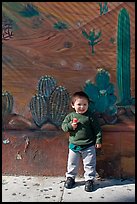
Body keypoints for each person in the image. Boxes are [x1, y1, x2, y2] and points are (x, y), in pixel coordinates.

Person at [61, 91, 102, 192]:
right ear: (73, 105)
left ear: (88, 105)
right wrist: (71, 126)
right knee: (72, 163)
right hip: (74, 146)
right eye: (79, 104)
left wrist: (98, 140)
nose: (82, 107)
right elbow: (64, 127)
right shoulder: (70, 116)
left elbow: (97, 129)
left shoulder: (90, 117)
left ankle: (89, 180)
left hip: (88, 146)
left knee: (89, 164)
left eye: (85, 104)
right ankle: (70, 178)